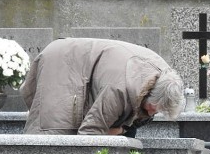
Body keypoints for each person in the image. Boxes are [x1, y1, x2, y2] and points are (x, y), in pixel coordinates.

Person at [21, 37, 185, 135]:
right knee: (55, 131)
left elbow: (125, 127)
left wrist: (121, 131)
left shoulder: (162, 80)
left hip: (87, 65)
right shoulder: (119, 89)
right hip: (63, 63)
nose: (152, 112)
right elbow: (90, 133)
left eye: (158, 111)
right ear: (150, 93)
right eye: (153, 107)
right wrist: (120, 131)